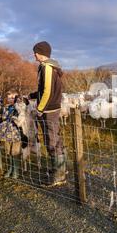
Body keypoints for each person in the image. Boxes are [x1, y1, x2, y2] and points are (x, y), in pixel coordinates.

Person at [28, 41, 66, 186]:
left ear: (40, 53)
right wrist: (32, 96)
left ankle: (59, 175)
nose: (34, 55)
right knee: (55, 138)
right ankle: (60, 169)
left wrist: (40, 108)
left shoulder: (47, 68)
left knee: (52, 141)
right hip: (50, 107)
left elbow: (48, 91)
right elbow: (44, 89)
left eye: (35, 52)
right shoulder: (48, 67)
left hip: (48, 109)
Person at [0, 89, 22, 179]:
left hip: (15, 134)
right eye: (9, 98)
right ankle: (11, 168)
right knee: (8, 152)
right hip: (6, 134)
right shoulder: (5, 108)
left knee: (15, 152)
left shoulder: (18, 108)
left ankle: (16, 170)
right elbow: (2, 118)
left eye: (13, 98)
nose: (11, 99)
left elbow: (21, 119)